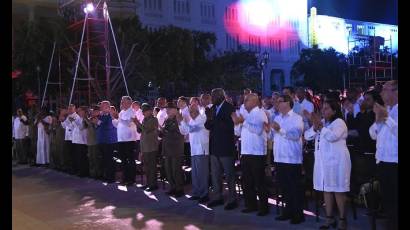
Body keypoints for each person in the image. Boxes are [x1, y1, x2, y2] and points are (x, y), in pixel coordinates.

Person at [304, 100, 351, 230]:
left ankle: (342, 219)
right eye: (323, 109)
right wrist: (315, 127)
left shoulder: (339, 123)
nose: (323, 111)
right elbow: (307, 136)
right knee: (327, 189)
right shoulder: (323, 123)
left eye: (327, 109)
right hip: (323, 163)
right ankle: (329, 218)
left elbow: (332, 137)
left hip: (337, 162)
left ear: (334, 111)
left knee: (338, 190)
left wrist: (319, 127)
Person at [270, 94, 305, 224]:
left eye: (280, 101)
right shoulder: (277, 117)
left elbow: (295, 135)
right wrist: (271, 130)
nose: (277, 104)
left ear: (288, 103)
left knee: (294, 188)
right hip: (279, 157)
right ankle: (287, 212)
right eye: (277, 102)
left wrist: (280, 130)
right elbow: (273, 136)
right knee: (284, 187)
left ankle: (298, 214)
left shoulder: (297, 118)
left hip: (292, 158)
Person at [233, 93, 270, 216]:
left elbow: (258, 130)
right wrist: (237, 124)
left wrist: (243, 122)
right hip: (246, 151)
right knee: (247, 181)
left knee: (259, 181)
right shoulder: (245, 114)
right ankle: (251, 205)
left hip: (257, 152)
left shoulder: (260, 113)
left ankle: (264, 207)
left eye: (246, 100)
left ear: (254, 101)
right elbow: (238, 133)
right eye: (244, 100)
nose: (244, 103)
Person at [369, 80, 398, 230]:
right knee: (388, 198)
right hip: (382, 160)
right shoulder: (385, 109)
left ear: (395, 91)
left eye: (385, 89)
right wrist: (378, 120)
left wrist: (387, 117)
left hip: (395, 161)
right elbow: (373, 134)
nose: (381, 93)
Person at [205, 88, 238, 210]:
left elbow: (229, 126)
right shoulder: (213, 109)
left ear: (220, 96)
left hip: (226, 147)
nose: (211, 99)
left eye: (213, 97)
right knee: (215, 175)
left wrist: (214, 119)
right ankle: (217, 197)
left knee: (229, 175)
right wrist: (209, 118)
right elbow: (207, 126)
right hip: (214, 147)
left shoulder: (229, 108)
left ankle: (232, 199)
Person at [179, 97, 210, 203]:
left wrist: (183, 122)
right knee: (195, 173)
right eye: (190, 112)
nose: (190, 114)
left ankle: (204, 194)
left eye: (192, 111)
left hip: (202, 149)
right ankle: (197, 192)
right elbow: (184, 131)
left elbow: (192, 129)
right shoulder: (192, 120)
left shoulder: (202, 118)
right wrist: (181, 122)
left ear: (197, 110)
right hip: (194, 150)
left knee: (202, 173)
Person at [160, 102, 185, 197]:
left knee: (176, 169)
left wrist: (164, 130)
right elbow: (165, 131)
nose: (166, 110)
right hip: (167, 147)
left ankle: (179, 189)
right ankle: (172, 187)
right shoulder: (167, 119)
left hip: (176, 148)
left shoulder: (178, 118)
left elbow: (178, 132)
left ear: (174, 109)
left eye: (168, 108)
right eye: (166, 108)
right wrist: (161, 131)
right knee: (168, 169)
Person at [113, 96, 138, 185]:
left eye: (123, 102)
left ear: (129, 103)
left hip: (129, 139)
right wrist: (113, 118)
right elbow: (118, 125)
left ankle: (131, 179)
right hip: (121, 139)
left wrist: (118, 118)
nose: (121, 103)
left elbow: (128, 123)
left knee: (130, 160)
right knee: (123, 160)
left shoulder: (132, 112)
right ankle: (125, 178)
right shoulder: (122, 112)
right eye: (122, 101)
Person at [136, 103, 159, 191]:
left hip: (151, 146)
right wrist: (138, 124)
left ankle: (153, 184)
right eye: (142, 111)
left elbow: (146, 130)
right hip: (145, 146)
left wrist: (137, 123)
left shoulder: (153, 120)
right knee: (146, 166)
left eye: (144, 111)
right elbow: (140, 131)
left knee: (152, 166)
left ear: (150, 111)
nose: (143, 113)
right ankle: (149, 183)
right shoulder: (144, 119)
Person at [95, 101, 118, 183]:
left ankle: (111, 177)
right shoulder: (101, 115)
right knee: (103, 159)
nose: (100, 108)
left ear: (107, 107)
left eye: (102, 107)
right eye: (100, 106)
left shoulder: (110, 115)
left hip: (109, 141)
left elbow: (104, 124)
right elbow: (97, 125)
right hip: (101, 140)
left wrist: (97, 121)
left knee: (109, 160)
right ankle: (105, 175)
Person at [84, 106, 103, 179]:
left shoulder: (98, 119)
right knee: (91, 159)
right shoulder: (89, 119)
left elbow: (95, 127)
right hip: (89, 142)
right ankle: (92, 173)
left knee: (96, 159)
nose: (91, 113)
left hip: (95, 142)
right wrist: (86, 119)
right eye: (90, 112)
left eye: (93, 112)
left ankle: (98, 174)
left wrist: (88, 120)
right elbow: (84, 127)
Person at [72, 106, 89, 177]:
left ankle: (84, 172)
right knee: (78, 157)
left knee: (83, 157)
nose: (78, 112)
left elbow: (81, 128)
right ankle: (79, 171)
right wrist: (73, 121)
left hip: (83, 141)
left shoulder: (86, 119)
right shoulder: (78, 118)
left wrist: (73, 122)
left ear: (84, 111)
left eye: (79, 111)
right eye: (78, 111)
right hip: (77, 140)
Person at [61, 104, 77, 174]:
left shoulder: (76, 116)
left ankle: (74, 168)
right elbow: (64, 126)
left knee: (73, 154)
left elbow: (75, 125)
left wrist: (70, 120)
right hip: (67, 137)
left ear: (74, 109)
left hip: (73, 138)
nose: (69, 110)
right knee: (68, 153)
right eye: (69, 109)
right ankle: (69, 168)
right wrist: (62, 120)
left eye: (71, 109)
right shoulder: (68, 116)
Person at [177, 96, 191, 166]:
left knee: (188, 159)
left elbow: (189, 125)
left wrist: (185, 136)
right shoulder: (180, 111)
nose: (177, 103)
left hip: (187, 139)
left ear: (184, 103)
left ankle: (189, 176)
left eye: (179, 101)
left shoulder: (187, 111)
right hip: (182, 138)